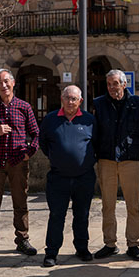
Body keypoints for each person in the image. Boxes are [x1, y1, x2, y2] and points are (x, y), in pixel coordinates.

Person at [0, 68, 40, 261]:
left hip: (18, 163)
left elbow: (36, 133)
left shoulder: (24, 107)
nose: (3, 85)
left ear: (13, 83)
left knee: (20, 202)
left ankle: (22, 239)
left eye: (6, 81)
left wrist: (29, 152)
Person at [91, 70, 139, 261]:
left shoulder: (137, 103)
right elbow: (96, 132)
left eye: (115, 83)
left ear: (124, 84)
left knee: (133, 205)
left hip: (130, 160)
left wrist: (134, 149)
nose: (112, 87)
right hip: (106, 160)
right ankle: (110, 243)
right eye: (108, 84)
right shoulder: (99, 103)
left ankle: (133, 244)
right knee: (108, 205)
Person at [39, 85, 97, 267]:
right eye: (67, 98)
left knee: (82, 215)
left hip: (84, 177)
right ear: (61, 99)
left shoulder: (89, 120)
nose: (70, 102)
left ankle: (82, 248)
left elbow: (97, 144)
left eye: (74, 99)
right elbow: (43, 144)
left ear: (80, 101)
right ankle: (51, 252)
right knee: (57, 215)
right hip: (58, 178)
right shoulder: (50, 120)